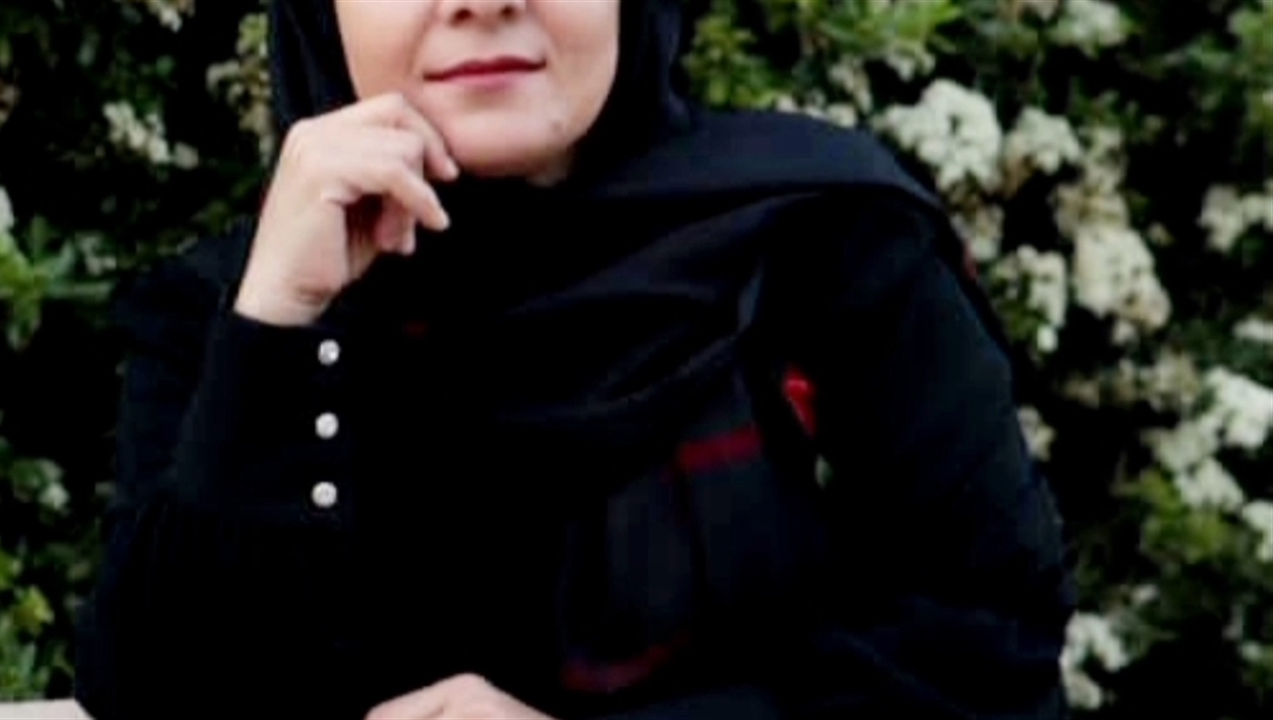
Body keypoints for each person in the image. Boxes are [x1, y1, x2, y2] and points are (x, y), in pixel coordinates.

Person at [73, 0, 1076, 718]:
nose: (481, 2)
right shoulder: (234, 310)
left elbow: (993, 653)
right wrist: (274, 334)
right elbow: (151, 698)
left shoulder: (824, 244)